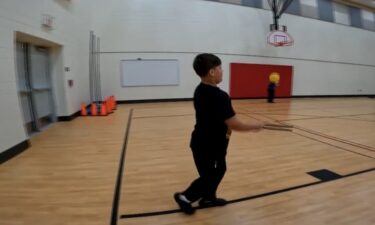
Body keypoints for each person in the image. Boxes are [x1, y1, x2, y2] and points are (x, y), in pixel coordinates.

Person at [174, 53, 264, 214]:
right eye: (220, 68)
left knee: (218, 170)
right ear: (212, 72)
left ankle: (208, 198)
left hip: (208, 143)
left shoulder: (200, 90)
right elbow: (235, 123)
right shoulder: (219, 96)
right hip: (208, 145)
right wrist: (255, 125)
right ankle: (184, 197)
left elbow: (219, 118)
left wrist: (227, 132)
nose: (222, 71)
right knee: (210, 175)